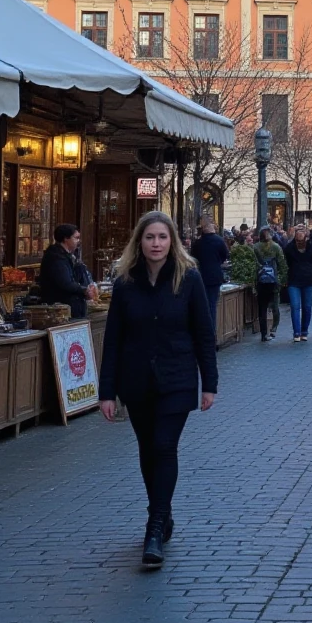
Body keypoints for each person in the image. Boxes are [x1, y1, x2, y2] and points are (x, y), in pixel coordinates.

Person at [98, 211, 217, 568]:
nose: (156, 244)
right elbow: (113, 340)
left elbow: (204, 334)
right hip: (136, 381)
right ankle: (162, 514)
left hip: (177, 377)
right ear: (140, 241)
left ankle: (154, 527)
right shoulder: (125, 284)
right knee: (147, 449)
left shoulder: (189, 279)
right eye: (150, 237)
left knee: (164, 446)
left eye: (162, 238)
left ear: (173, 242)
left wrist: (209, 384)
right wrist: (107, 391)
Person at [39, 224, 97, 318]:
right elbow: (65, 282)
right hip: (61, 311)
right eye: (76, 238)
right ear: (66, 238)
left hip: (72, 308)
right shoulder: (56, 258)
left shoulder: (69, 256)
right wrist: (84, 290)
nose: (79, 241)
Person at [283, 225, 312, 340]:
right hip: (293, 280)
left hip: (309, 279)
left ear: (306, 233)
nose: (300, 233)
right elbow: (284, 262)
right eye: (298, 231)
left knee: (306, 307)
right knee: (295, 306)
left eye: (302, 231)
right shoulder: (289, 247)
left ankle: (304, 331)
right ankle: (296, 332)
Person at [190, 216, 229, 333]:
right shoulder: (219, 240)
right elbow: (225, 255)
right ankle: (211, 335)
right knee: (212, 306)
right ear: (211, 226)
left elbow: (193, 258)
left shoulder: (197, 243)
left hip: (200, 277)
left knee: (202, 306)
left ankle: (202, 332)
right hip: (214, 277)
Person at [254, 226, 286, 341]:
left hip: (260, 281)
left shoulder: (255, 247)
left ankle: (263, 334)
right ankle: (273, 329)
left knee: (262, 308)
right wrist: (282, 280)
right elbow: (282, 264)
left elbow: (254, 265)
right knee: (275, 307)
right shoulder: (276, 247)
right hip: (273, 281)